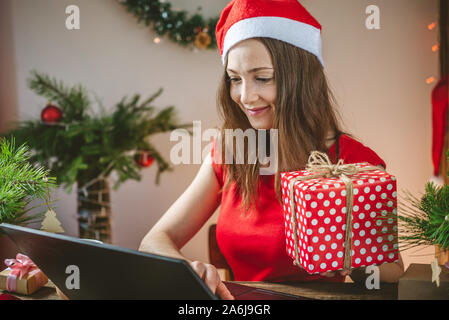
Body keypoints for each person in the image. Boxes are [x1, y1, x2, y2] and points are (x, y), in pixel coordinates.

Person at [139, 0, 404, 300]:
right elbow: (154, 240)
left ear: (301, 78)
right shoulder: (233, 151)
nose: (245, 96)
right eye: (234, 79)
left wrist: (346, 248)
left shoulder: (354, 165)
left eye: (262, 78)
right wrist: (192, 270)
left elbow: (391, 278)